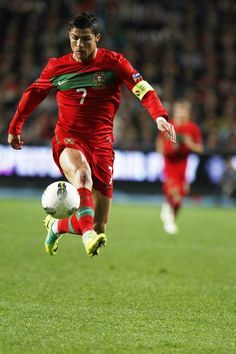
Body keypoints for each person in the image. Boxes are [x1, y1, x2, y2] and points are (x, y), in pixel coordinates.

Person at [8, 12, 176, 257]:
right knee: (82, 175)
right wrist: (15, 127)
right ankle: (87, 237)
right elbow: (33, 94)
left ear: (97, 38)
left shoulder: (115, 63)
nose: (79, 45)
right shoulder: (57, 66)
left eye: (86, 39)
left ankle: (57, 226)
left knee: (99, 225)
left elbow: (144, 89)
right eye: (74, 38)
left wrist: (159, 115)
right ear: (69, 37)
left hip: (102, 144)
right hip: (68, 138)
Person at [156, 99, 203, 234]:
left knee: (179, 200)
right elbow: (160, 144)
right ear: (175, 112)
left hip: (183, 168)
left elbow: (200, 149)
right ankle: (170, 220)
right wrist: (166, 148)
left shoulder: (192, 128)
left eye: (185, 111)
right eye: (180, 110)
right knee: (175, 194)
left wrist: (189, 144)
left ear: (188, 113)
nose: (182, 114)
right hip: (169, 166)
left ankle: (170, 216)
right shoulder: (168, 126)